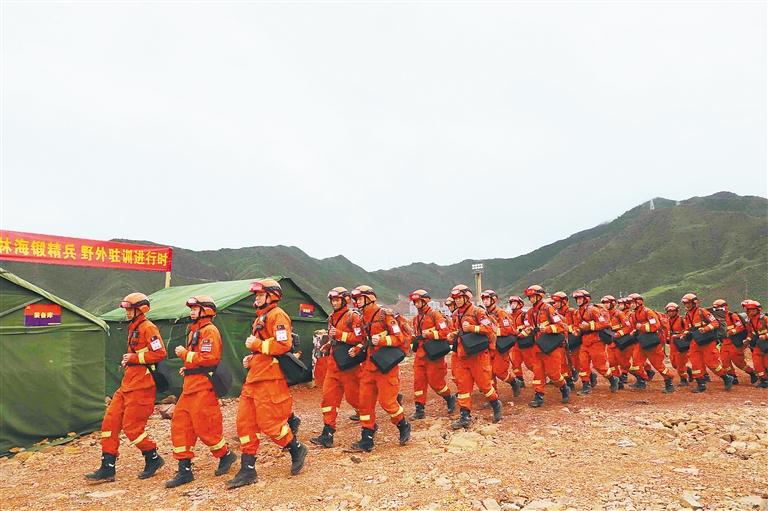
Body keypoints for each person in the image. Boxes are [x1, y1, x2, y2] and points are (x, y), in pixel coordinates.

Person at [228, 279, 307, 489]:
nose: (257, 298)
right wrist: (252, 358)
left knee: (270, 423)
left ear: (272, 296)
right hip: (254, 377)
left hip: (270, 379)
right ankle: (248, 470)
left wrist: (258, 345)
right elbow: (263, 349)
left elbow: (284, 344)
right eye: (257, 295)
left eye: (260, 295)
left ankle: (296, 448)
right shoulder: (261, 317)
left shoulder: (277, 315)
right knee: (245, 423)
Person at [86, 293, 166, 482]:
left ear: (140, 310)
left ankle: (152, 457)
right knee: (109, 423)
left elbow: (160, 353)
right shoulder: (134, 328)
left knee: (132, 428)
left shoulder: (148, 328)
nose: (127, 312)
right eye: (127, 309)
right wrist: (129, 360)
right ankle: (107, 468)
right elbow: (138, 353)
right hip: (127, 384)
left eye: (130, 309)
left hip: (142, 386)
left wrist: (135, 358)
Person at [165, 296, 235, 488]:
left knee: (206, 428)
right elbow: (199, 360)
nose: (191, 312)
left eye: (195, 309)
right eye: (192, 309)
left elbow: (210, 358)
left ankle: (225, 455)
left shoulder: (210, 331)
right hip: (190, 386)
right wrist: (187, 368)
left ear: (206, 311)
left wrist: (185, 354)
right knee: (180, 425)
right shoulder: (195, 331)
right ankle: (184, 470)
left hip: (203, 387)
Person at [348, 286, 411, 452]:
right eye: (356, 299)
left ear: (369, 298)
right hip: (369, 367)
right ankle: (366, 439)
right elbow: (365, 340)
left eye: (360, 298)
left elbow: (399, 338)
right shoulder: (362, 318)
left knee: (387, 402)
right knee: (364, 403)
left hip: (386, 367)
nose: (357, 302)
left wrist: (382, 340)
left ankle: (403, 425)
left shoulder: (385, 315)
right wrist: (357, 349)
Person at [310, 287, 362, 448]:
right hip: (333, 366)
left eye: (337, 300)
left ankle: (370, 425)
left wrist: (340, 334)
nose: (334, 303)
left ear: (345, 300)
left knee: (354, 398)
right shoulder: (332, 317)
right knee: (328, 398)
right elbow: (334, 338)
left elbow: (360, 338)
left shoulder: (353, 316)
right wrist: (328, 345)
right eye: (332, 300)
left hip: (349, 366)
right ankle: (328, 434)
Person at [447, 284, 503, 428]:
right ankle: (465, 416)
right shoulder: (456, 314)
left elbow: (489, 329)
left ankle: (496, 404)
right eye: (455, 298)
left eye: (459, 298)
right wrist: (453, 335)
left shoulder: (478, 311)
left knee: (485, 385)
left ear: (466, 298)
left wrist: (472, 328)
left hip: (478, 356)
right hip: (463, 355)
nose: (457, 300)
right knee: (463, 387)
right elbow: (458, 330)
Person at [409, 289, 456, 419]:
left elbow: (445, 333)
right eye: (415, 302)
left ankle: (449, 398)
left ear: (425, 301)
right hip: (420, 355)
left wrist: (429, 334)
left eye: (418, 301)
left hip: (434, 354)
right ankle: (419, 409)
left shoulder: (435, 315)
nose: (416, 304)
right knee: (418, 382)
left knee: (436, 382)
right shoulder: (416, 318)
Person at [523, 285, 570, 408]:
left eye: (533, 296)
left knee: (554, 374)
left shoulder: (548, 309)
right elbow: (528, 325)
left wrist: (548, 329)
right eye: (530, 297)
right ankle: (538, 396)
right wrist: (526, 331)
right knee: (537, 373)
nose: (531, 299)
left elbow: (562, 326)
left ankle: (564, 388)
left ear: (539, 296)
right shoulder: (530, 312)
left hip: (551, 347)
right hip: (538, 346)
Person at [681, 293, 733, 393]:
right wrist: (685, 334)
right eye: (685, 303)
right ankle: (701, 384)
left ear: (694, 303)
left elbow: (715, 323)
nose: (686, 305)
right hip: (695, 341)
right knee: (695, 363)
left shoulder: (702, 311)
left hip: (707, 342)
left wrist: (705, 329)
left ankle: (726, 378)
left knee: (712, 363)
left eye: (688, 303)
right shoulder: (687, 315)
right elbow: (688, 328)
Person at [626, 293, 675, 393]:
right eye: (629, 303)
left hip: (652, 343)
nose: (630, 305)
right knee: (635, 365)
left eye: (631, 302)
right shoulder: (634, 314)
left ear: (638, 302)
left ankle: (669, 382)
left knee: (658, 365)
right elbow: (636, 326)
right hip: (641, 342)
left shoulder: (648, 312)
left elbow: (655, 326)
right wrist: (634, 331)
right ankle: (641, 381)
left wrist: (641, 327)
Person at [572, 290, 619, 395]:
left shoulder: (593, 310)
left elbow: (605, 323)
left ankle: (612, 379)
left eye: (580, 298)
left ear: (586, 299)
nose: (578, 301)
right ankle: (586, 386)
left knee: (600, 366)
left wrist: (589, 326)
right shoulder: (577, 312)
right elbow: (576, 325)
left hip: (596, 342)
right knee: (583, 365)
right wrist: (576, 330)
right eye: (577, 299)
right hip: (585, 342)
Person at [481, 290, 522, 397]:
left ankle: (514, 382)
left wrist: (493, 332)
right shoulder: (485, 314)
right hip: (489, 347)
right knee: (489, 373)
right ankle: (493, 396)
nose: (485, 301)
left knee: (500, 372)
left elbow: (508, 330)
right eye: (484, 299)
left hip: (500, 347)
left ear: (493, 300)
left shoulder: (501, 313)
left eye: (487, 299)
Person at [714, 299, 757, 384]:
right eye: (716, 308)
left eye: (718, 308)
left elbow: (740, 327)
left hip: (734, 343)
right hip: (724, 343)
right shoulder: (717, 318)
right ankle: (732, 377)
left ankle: (752, 372)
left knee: (738, 362)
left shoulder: (732, 316)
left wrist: (730, 332)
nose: (717, 310)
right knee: (725, 361)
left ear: (725, 307)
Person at [742, 300, 768, 389]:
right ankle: (764, 379)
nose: (750, 311)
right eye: (749, 310)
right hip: (760, 343)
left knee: (766, 362)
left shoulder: (765, 318)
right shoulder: (750, 321)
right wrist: (747, 340)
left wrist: (765, 336)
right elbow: (751, 333)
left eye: (753, 310)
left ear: (758, 310)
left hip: (766, 342)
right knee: (756, 361)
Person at [664, 303, 690, 386]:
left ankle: (684, 379)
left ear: (677, 311)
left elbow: (687, 330)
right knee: (674, 363)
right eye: (669, 311)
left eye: (673, 311)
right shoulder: (667, 320)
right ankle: (689, 371)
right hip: (672, 343)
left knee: (680, 362)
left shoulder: (682, 320)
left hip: (680, 343)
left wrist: (679, 335)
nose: (671, 312)